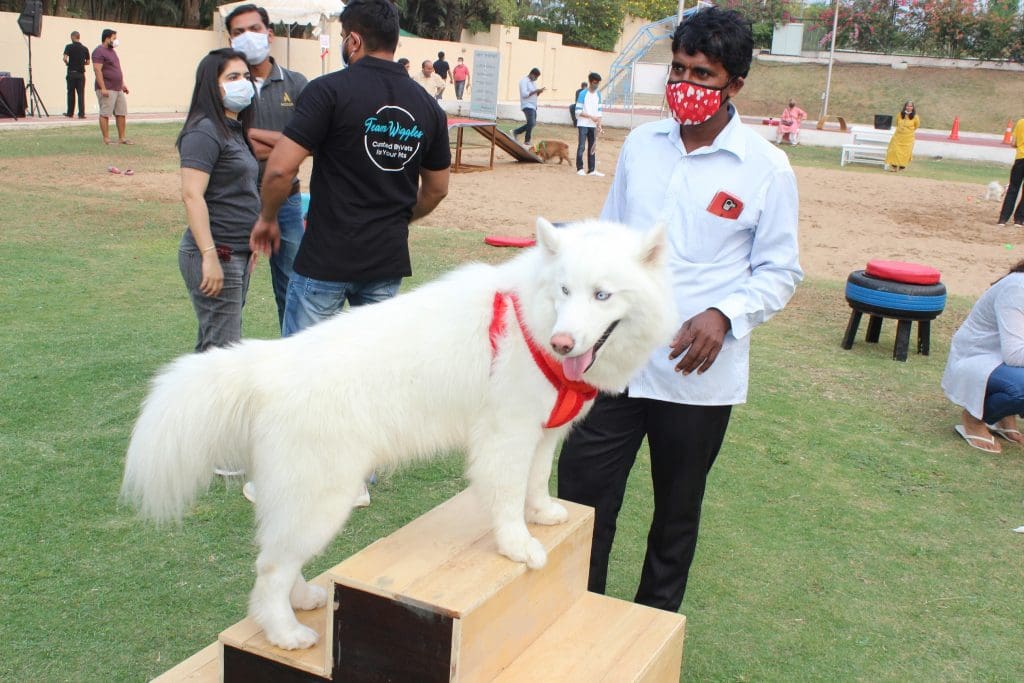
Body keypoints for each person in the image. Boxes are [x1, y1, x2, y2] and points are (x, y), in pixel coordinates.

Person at [557, 6, 802, 614]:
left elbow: (780, 270)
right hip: (613, 367)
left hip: (696, 381)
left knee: (674, 518)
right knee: (581, 505)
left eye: (702, 75)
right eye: (678, 69)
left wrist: (725, 313)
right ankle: (569, 623)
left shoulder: (767, 170)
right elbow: (611, 239)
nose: (685, 86)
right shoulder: (642, 145)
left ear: (735, 85)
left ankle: (647, 634)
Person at [250, 0, 450, 339]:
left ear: (353, 41)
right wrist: (397, 218)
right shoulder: (429, 107)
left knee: (302, 370)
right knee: (370, 373)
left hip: (325, 259)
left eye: (343, 35)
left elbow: (280, 170)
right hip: (386, 261)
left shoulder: (328, 91)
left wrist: (267, 219)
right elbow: (436, 189)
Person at [225, 4, 309, 333]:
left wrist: (248, 135)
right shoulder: (224, 85)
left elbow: (309, 146)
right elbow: (220, 141)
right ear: (230, 39)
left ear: (269, 34)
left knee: (292, 289)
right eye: (238, 32)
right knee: (230, 292)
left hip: (286, 201)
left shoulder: (297, 83)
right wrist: (286, 143)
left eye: (254, 29)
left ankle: (293, 367)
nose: (247, 37)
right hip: (236, 201)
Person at [176, 48, 259, 353]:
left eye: (246, 77)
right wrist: (209, 255)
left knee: (216, 348)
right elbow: (192, 195)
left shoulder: (233, 130)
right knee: (222, 355)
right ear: (212, 85)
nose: (243, 83)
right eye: (233, 77)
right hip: (217, 253)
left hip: (236, 253)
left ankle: (194, 401)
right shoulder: (204, 131)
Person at [944, 261, 1024, 453]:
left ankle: (1005, 415)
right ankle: (974, 419)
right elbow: (1013, 354)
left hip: (1005, 362)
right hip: (978, 359)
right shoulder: (1017, 287)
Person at [92, 28, 131, 145]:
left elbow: (116, 69)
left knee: (121, 112)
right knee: (105, 113)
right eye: (114, 38)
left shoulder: (113, 52)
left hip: (117, 88)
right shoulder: (98, 52)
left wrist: (123, 84)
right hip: (107, 88)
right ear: (107, 38)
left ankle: (122, 138)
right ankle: (106, 139)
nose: (115, 41)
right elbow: (97, 70)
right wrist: (103, 87)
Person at [575, 72, 603, 177]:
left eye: (598, 83)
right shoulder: (583, 94)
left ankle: (592, 169)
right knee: (581, 146)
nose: (596, 85)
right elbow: (578, 111)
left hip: (593, 126)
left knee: (592, 147)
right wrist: (591, 117)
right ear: (591, 82)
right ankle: (580, 168)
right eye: (595, 83)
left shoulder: (598, 94)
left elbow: (599, 110)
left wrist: (599, 123)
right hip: (583, 124)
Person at [997, 117, 1024, 227]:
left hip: (1020, 159)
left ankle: (1003, 219)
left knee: (1013, 188)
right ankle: (1019, 219)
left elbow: (1013, 143)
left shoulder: (1021, 122)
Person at [512, 68, 544, 145]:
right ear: (532, 74)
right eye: (536, 77)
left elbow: (534, 95)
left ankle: (515, 132)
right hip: (527, 105)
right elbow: (524, 94)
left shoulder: (533, 83)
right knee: (531, 122)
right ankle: (527, 140)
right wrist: (536, 91)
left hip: (533, 106)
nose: (536, 79)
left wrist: (539, 92)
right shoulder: (524, 81)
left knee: (532, 124)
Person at [885, 101, 920, 172]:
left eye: (910, 106)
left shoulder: (915, 117)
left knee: (905, 153)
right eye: (907, 106)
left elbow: (916, 126)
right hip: (898, 136)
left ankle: (902, 168)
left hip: (908, 138)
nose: (909, 107)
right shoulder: (900, 114)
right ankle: (894, 167)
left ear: (913, 108)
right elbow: (897, 123)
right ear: (905, 107)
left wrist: (908, 131)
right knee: (894, 150)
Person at [62, 31, 90, 119]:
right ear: (79, 37)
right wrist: (82, 64)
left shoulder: (69, 47)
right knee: (81, 94)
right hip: (81, 74)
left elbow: (64, 58)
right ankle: (81, 113)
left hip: (71, 73)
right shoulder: (85, 48)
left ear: (73, 37)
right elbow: (88, 62)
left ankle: (70, 113)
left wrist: (68, 63)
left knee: (70, 93)